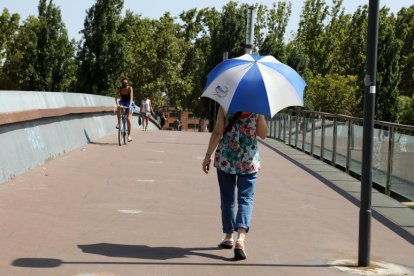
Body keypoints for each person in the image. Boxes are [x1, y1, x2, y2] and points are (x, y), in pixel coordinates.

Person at [202, 106, 268, 260]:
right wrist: (261, 116)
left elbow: (218, 132)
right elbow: (263, 134)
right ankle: (241, 239)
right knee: (246, 199)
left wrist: (207, 156)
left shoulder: (225, 105)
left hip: (226, 158)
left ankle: (228, 237)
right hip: (248, 160)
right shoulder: (257, 108)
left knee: (227, 199)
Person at [115, 78, 135, 142]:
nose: (125, 84)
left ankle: (129, 136)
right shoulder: (119, 88)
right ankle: (118, 123)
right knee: (118, 107)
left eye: (126, 83)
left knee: (128, 119)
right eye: (124, 83)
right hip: (122, 101)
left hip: (129, 102)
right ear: (122, 83)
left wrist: (129, 105)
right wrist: (117, 103)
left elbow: (131, 98)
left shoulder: (130, 88)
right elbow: (116, 97)